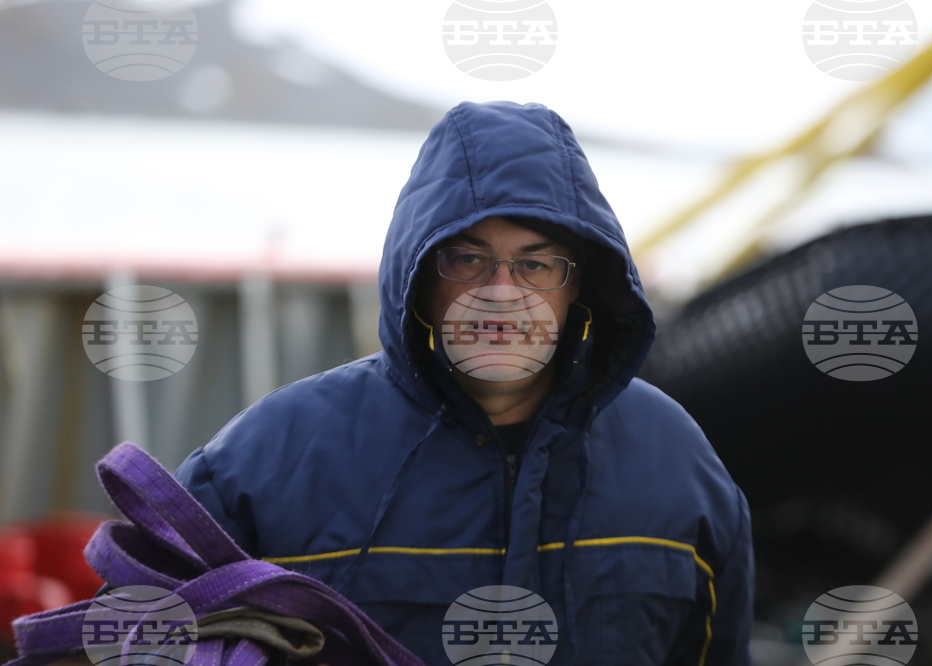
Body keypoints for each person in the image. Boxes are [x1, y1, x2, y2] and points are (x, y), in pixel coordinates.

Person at [174, 100, 753, 665]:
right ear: (419, 276)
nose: (501, 294)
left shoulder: (675, 461)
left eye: (536, 263)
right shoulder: (271, 457)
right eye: (467, 260)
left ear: (578, 284)